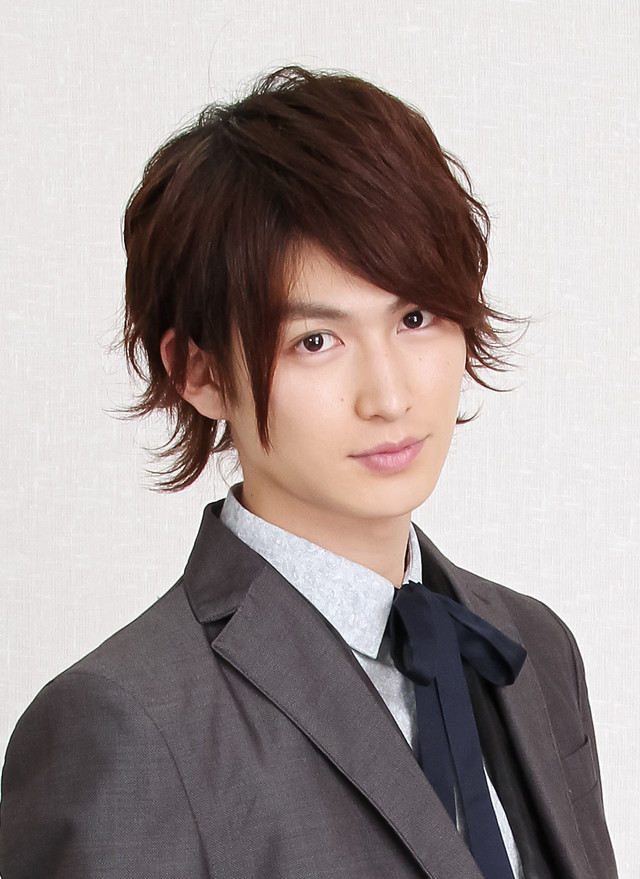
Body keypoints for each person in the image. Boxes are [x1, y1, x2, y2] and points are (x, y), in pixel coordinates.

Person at [0, 66, 616, 879]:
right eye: (315, 341)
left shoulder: (534, 648)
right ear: (199, 371)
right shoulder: (124, 728)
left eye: (416, 316)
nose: (389, 395)